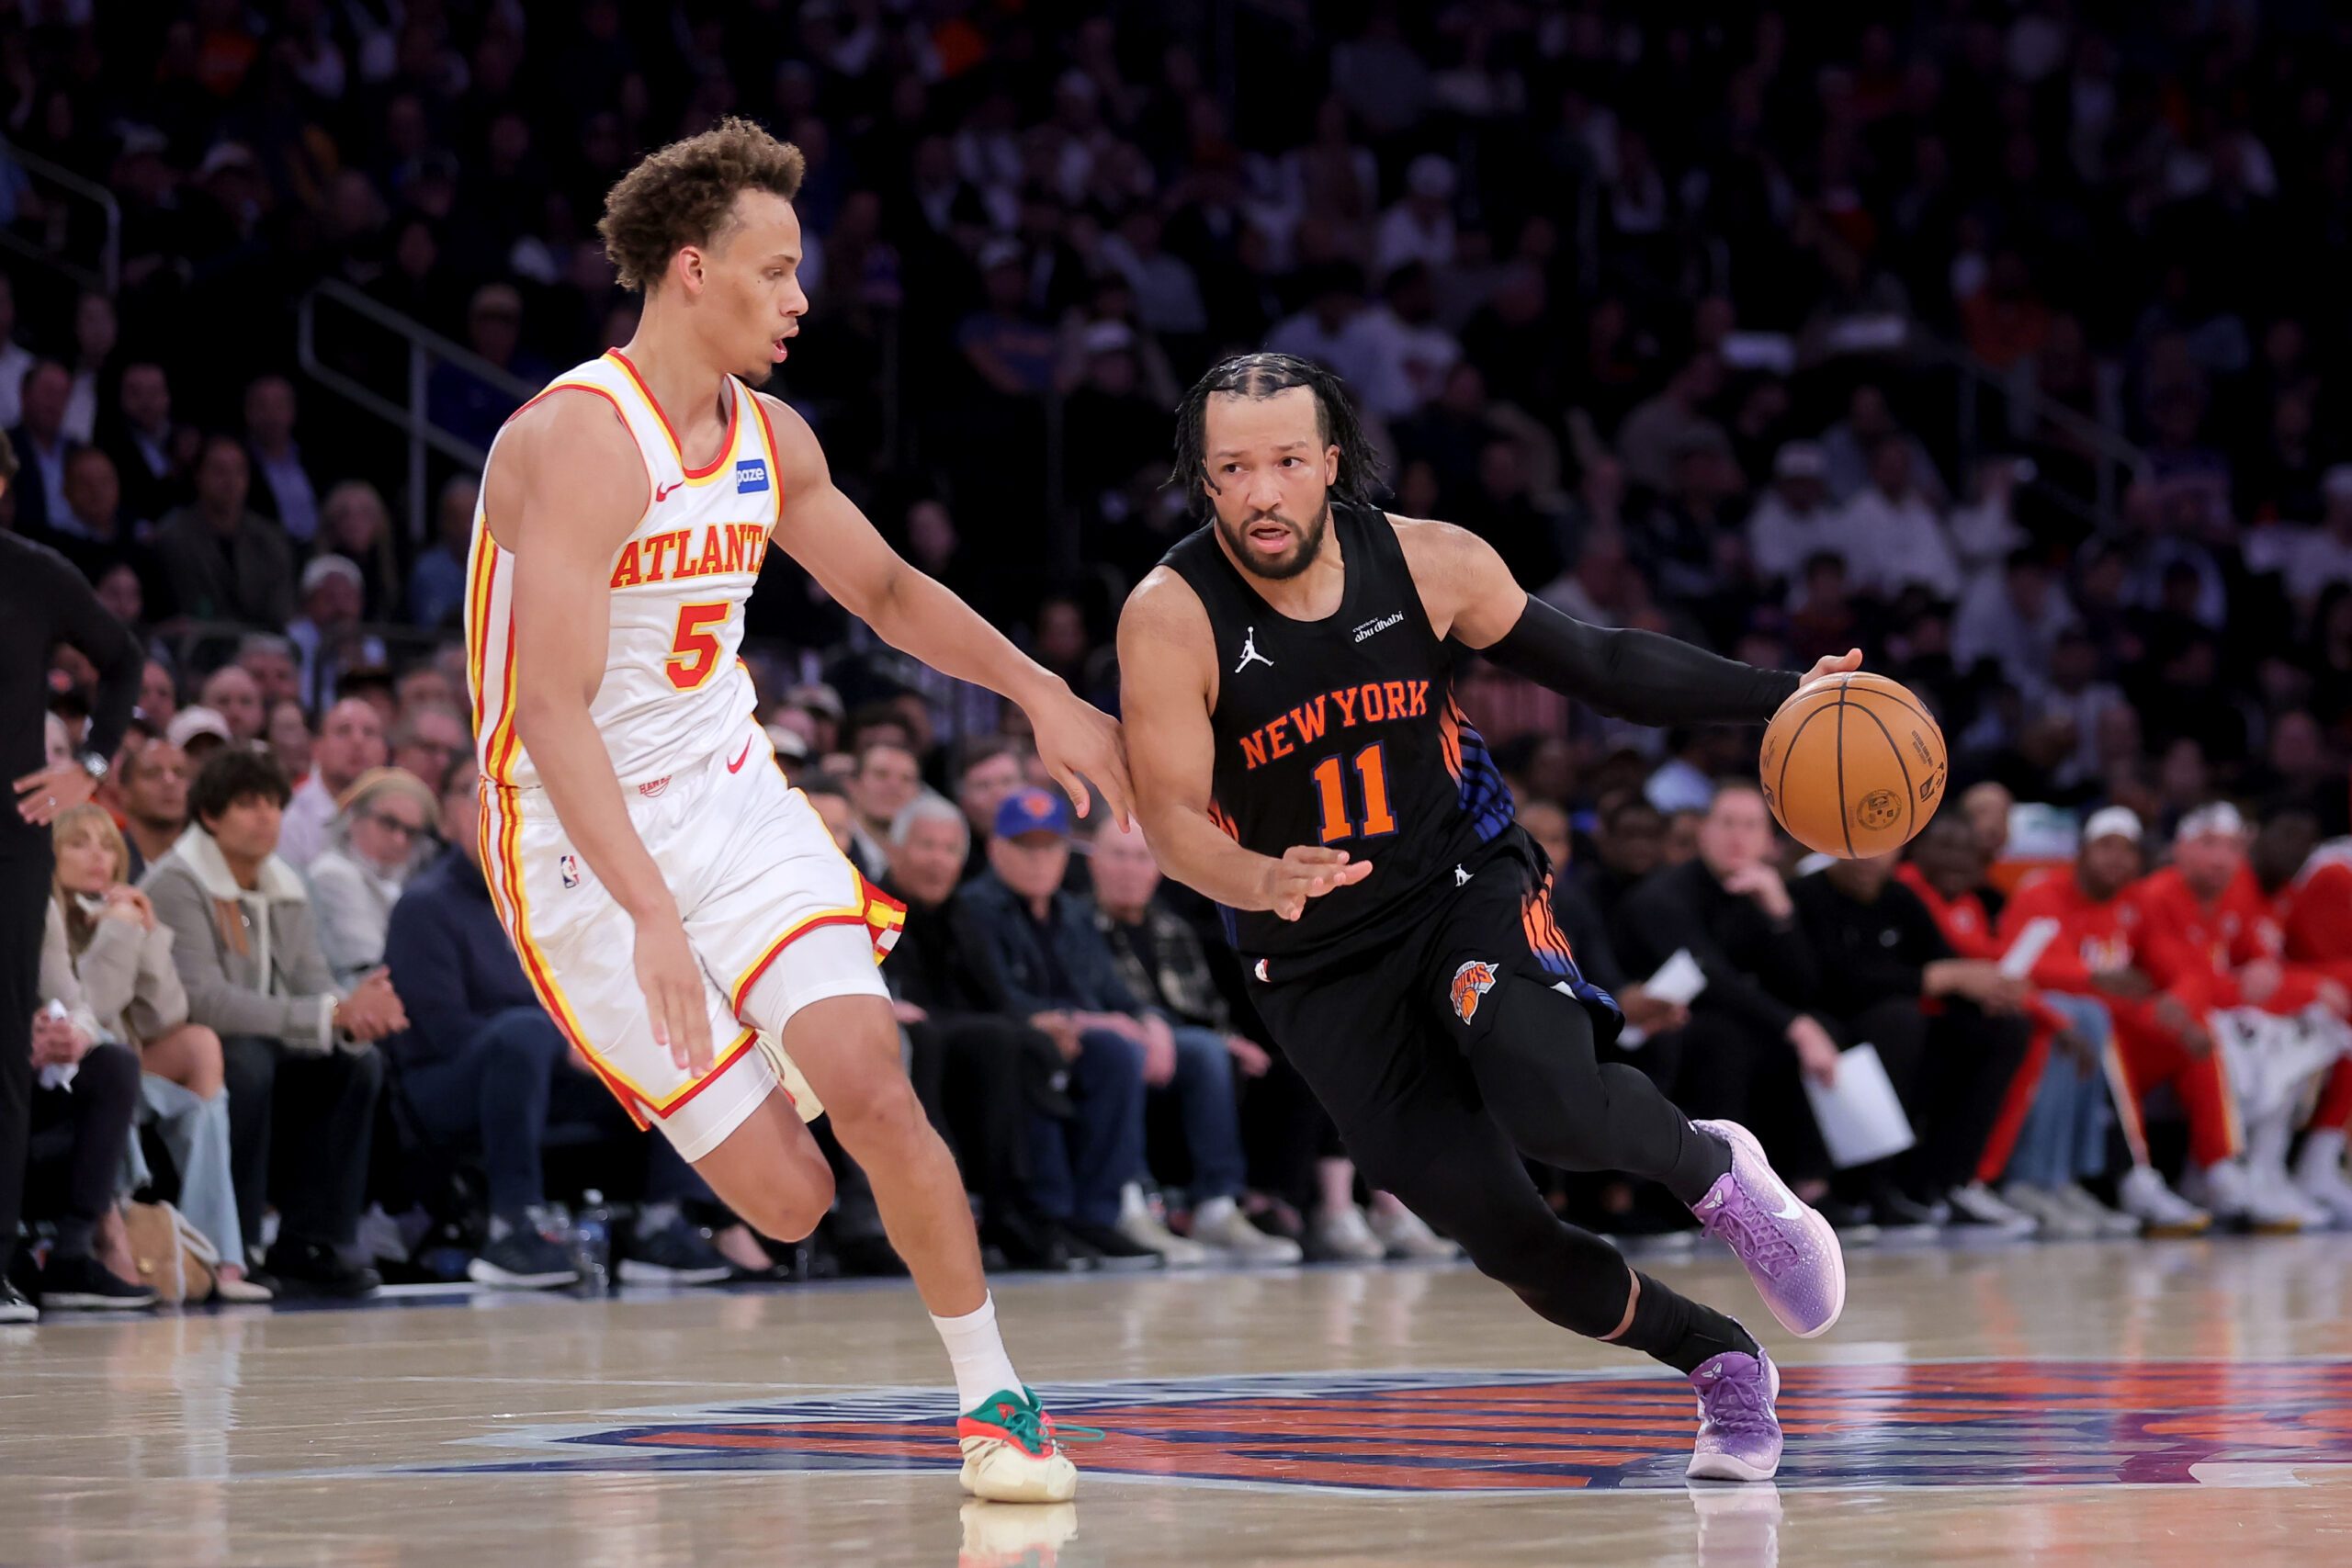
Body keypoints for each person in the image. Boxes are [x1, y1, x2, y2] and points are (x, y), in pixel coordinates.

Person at [465, 118, 1125, 1503]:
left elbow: (887, 594)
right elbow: (550, 714)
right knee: (794, 1200)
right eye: (774, 271)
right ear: (693, 270)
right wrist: (650, 907)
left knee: (880, 1090)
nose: (799, 297)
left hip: (728, 790)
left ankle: (994, 1404)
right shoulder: (581, 440)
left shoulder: (774, 436)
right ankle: (774, 1043)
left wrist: (1040, 689)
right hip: (577, 839)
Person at [1118, 352, 1859, 1484]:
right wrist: (1255, 877)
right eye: (1231, 469)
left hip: (1462, 886)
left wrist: (1779, 696)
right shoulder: (1170, 617)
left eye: (1282, 463)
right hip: (1313, 961)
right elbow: (1169, 819)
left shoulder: (1430, 561)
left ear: (1329, 465)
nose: (1261, 492)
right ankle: (1717, 1363)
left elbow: (1601, 664)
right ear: (1202, 481)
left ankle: (1717, 1173)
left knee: (1554, 1100)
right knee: (1510, 1240)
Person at [383, 758, 733, 1289]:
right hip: (444, 1087)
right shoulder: (425, 907)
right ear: (450, 817)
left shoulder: (551, 904)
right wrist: (557, 1043)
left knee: (667, 1047)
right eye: (476, 795)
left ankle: (662, 1222)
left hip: (544, 1076)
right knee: (522, 1033)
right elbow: (443, 1033)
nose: (495, 810)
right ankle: (511, 1226)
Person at [142, 748, 403, 1297]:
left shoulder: (284, 882)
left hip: (260, 1046)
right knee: (247, 1059)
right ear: (210, 816)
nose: (266, 817)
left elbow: (312, 980)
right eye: (247, 804)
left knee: (356, 1064)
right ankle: (232, 1246)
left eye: (273, 804)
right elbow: (206, 1002)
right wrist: (330, 1013)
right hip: (178, 1054)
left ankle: (311, 1243)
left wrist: (354, 1015)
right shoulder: (177, 882)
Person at [2, 432, 143, 1325]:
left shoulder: (36, 574)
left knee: (4, 1055)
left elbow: (122, 660)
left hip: (10, 838)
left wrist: (87, 762)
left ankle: (3, 1259)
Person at [50, 804, 268, 1299]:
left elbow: (163, 1018)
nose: (98, 856)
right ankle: (116, 1233)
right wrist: (120, 933)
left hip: (122, 1065)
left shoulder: (115, 912)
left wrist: (145, 937)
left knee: (199, 1043)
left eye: (108, 844)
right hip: (69, 1070)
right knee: (112, 1054)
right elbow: (91, 1011)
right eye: (80, 843)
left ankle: (217, 1252)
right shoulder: (46, 920)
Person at [950, 792, 1163, 1269]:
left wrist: (1148, 1020)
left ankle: (1097, 1217)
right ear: (996, 848)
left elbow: (1112, 990)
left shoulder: (1073, 913)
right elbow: (994, 992)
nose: (1039, 858)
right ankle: (1049, 1215)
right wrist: (1064, 1021)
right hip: (1015, 1035)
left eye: (1049, 847)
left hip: (1078, 1034)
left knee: (1116, 1051)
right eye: (1025, 846)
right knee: (1043, 1050)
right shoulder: (975, 908)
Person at [1087, 818, 1311, 1263]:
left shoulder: (1172, 928)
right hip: (1122, 1042)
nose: (1130, 870)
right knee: (1196, 1052)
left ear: (1157, 870)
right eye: (1118, 856)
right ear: (1093, 861)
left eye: (1140, 858)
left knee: (1289, 1063)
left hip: (1183, 1046)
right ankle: (1168, 1203)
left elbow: (1206, 1004)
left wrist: (1229, 1039)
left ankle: (1249, 1206)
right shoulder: (1080, 924)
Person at [306, 768, 437, 983]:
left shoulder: (398, 885)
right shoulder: (334, 875)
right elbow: (368, 969)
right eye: (389, 823)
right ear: (354, 817)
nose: (399, 840)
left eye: (410, 832)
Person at [278, 698, 388, 869]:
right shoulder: (290, 819)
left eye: (369, 732)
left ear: (384, 751)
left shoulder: (395, 814)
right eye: (344, 731)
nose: (358, 741)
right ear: (317, 748)